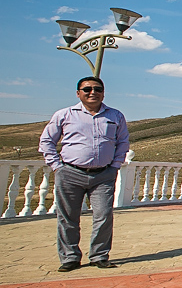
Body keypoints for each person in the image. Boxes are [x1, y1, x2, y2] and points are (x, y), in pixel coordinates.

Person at [39, 76, 129, 272]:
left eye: (97, 89)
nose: (92, 92)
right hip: (70, 173)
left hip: (103, 175)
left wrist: (115, 165)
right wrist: (57, 166)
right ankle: (70, 257)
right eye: (87, 89)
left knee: (104, 215)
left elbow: (123, 142)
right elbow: (46, 141)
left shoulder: (115, 116)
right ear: (78, 93)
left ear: (103, 93)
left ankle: (99, 255)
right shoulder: (65, 114)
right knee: (68, 217)